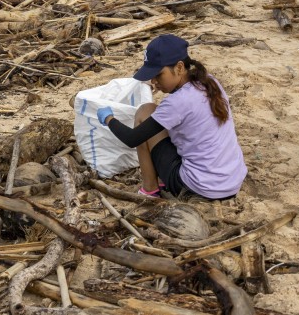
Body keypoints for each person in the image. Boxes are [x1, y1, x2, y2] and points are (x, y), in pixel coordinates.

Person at [95, 35, 247, 200]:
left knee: (145, 111)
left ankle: (150, 189)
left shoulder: (177, 103)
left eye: (158, 75)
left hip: (199, 187)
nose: (154, 81)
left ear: (180, 68)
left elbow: (131, 138)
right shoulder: (210, 83)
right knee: (161, 120)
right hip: (231, 181)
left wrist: (109, 118)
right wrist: (164, 85)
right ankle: (159, 180)